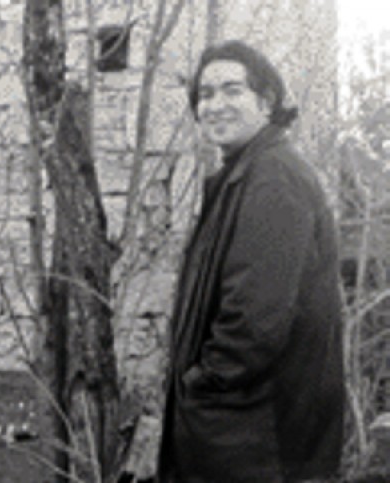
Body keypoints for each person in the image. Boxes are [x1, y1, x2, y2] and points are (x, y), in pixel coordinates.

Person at [157, 40, 344, 482]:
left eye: (232, 90)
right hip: (240, 432)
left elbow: (255, 319)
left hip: (256, 436)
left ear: (266, 101)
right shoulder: (242, 175)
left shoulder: (273, 177)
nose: (215, 105)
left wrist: (204, 384)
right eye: (205, 94)